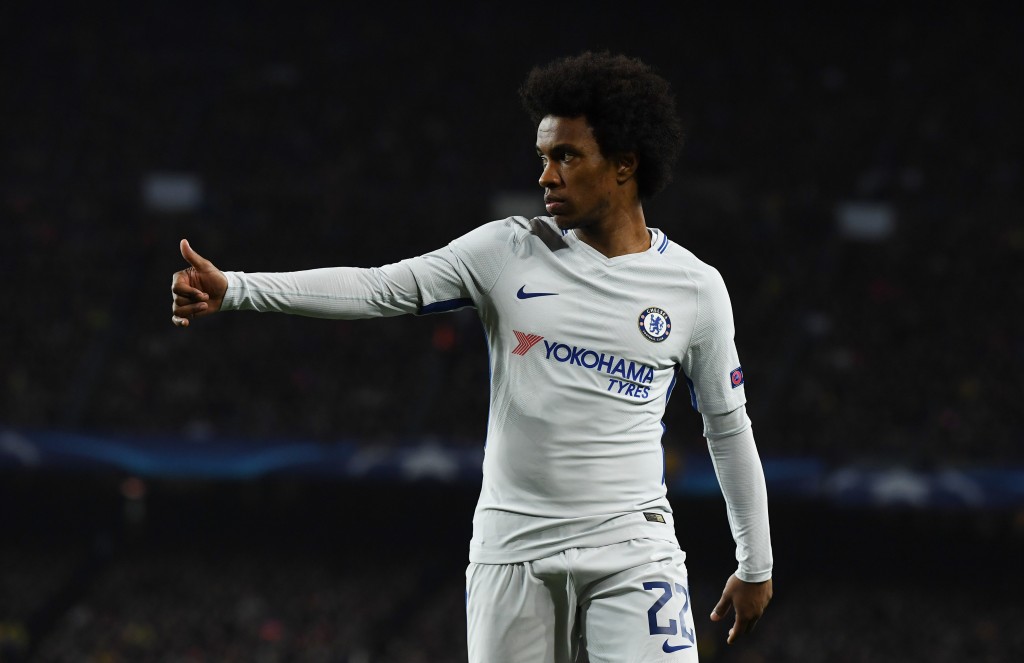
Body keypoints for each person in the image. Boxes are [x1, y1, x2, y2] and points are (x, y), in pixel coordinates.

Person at [171, 51, 772, 662]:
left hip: (633, 548)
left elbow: (727, 427)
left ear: (624, 164)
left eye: (566, 156)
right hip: (512, 548)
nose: (546, 176)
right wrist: (237, 288)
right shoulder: (506, 251)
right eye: (543, 157)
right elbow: (380, 288)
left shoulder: (695, 288)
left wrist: (756, 562)